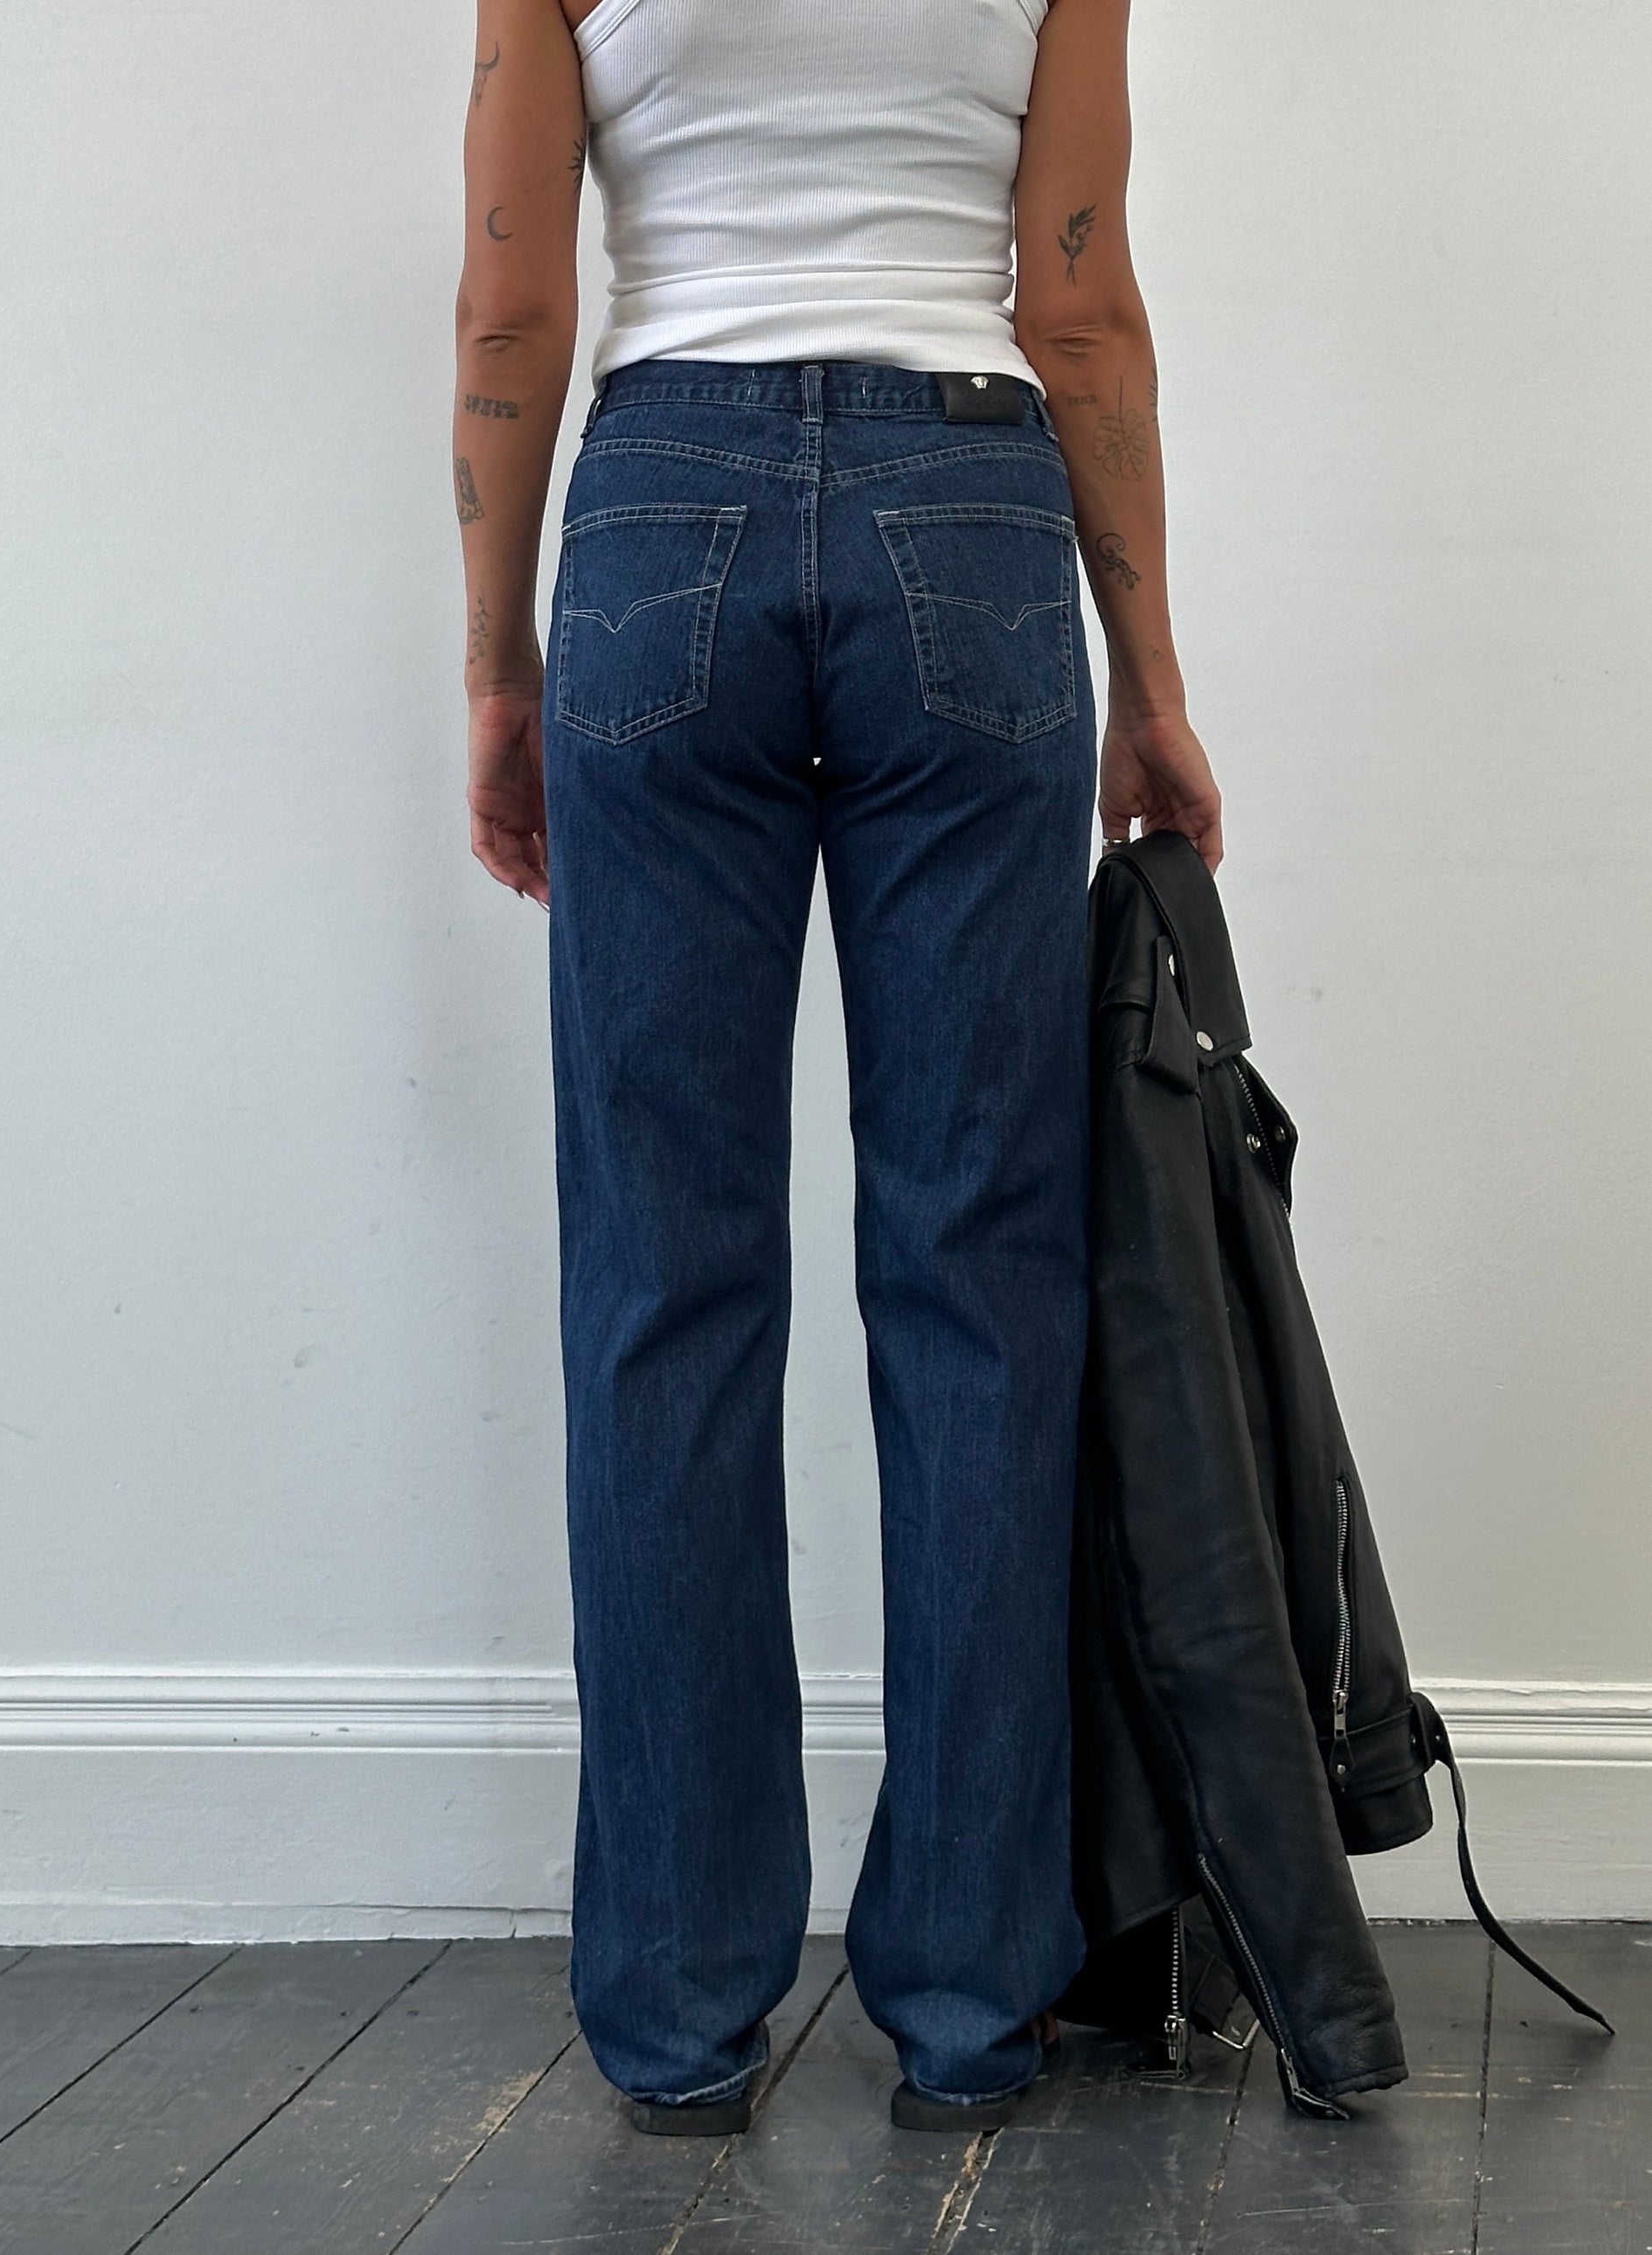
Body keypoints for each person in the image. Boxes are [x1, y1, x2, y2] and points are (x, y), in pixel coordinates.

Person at [451, 0, 1223, 2138]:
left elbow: (511, 303)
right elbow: (1077, 309)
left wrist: (501, 666)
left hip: (658, 512)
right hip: (964, 513)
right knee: (981, 1281)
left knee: (661, 1288)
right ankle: (971, 1993)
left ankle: (678, 2005)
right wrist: (1150, 681)